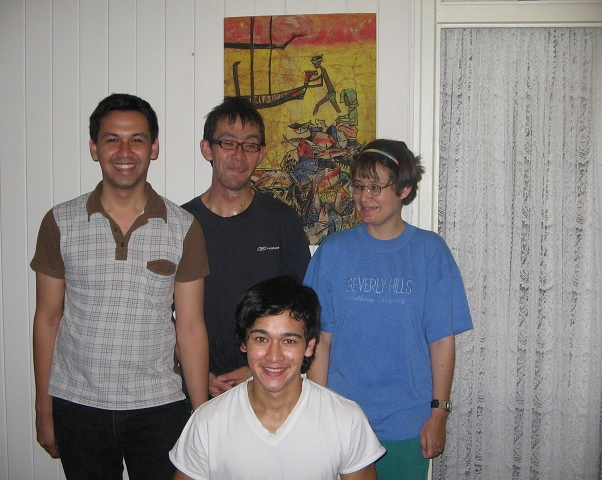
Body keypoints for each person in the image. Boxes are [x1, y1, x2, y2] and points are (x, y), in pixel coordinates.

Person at [30, 93, 209, 480]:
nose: (125, 152)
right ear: (94, 148)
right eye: (112, 139)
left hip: (158, 405)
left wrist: (200, 415)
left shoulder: (183, 227)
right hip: (78, 404)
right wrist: (44, 408)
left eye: (137, 140)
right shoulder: (59, 222)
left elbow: (191, 326)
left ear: (153, 148)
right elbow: (47, 319)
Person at [305, 139, 473, 479]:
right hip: (342, 421)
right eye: (358, 187)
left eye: (375, 187)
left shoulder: (430, 252)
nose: (363, 197)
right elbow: (320, 340)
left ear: (404, 189)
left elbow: (441, 341)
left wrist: (438, 413)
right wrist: (318, 412)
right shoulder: (333, 251)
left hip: (407, 423)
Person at [169, 275, 386, 480]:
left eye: (289, 341)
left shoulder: (346, 420)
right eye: (261, 339)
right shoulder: (208, 422)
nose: (274, 356)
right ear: (244, 343)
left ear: (309, 346)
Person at [182, 96, 310, 398]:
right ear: (207, 149)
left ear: (261, 153)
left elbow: (303, 309)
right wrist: (196, 371)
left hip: (270, 382)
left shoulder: (282, 220)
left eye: (250, 145)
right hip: (198, 385)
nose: (239, 155)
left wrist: (257, 368)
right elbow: (162, 315)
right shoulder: (182, 223)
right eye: (228, 143)